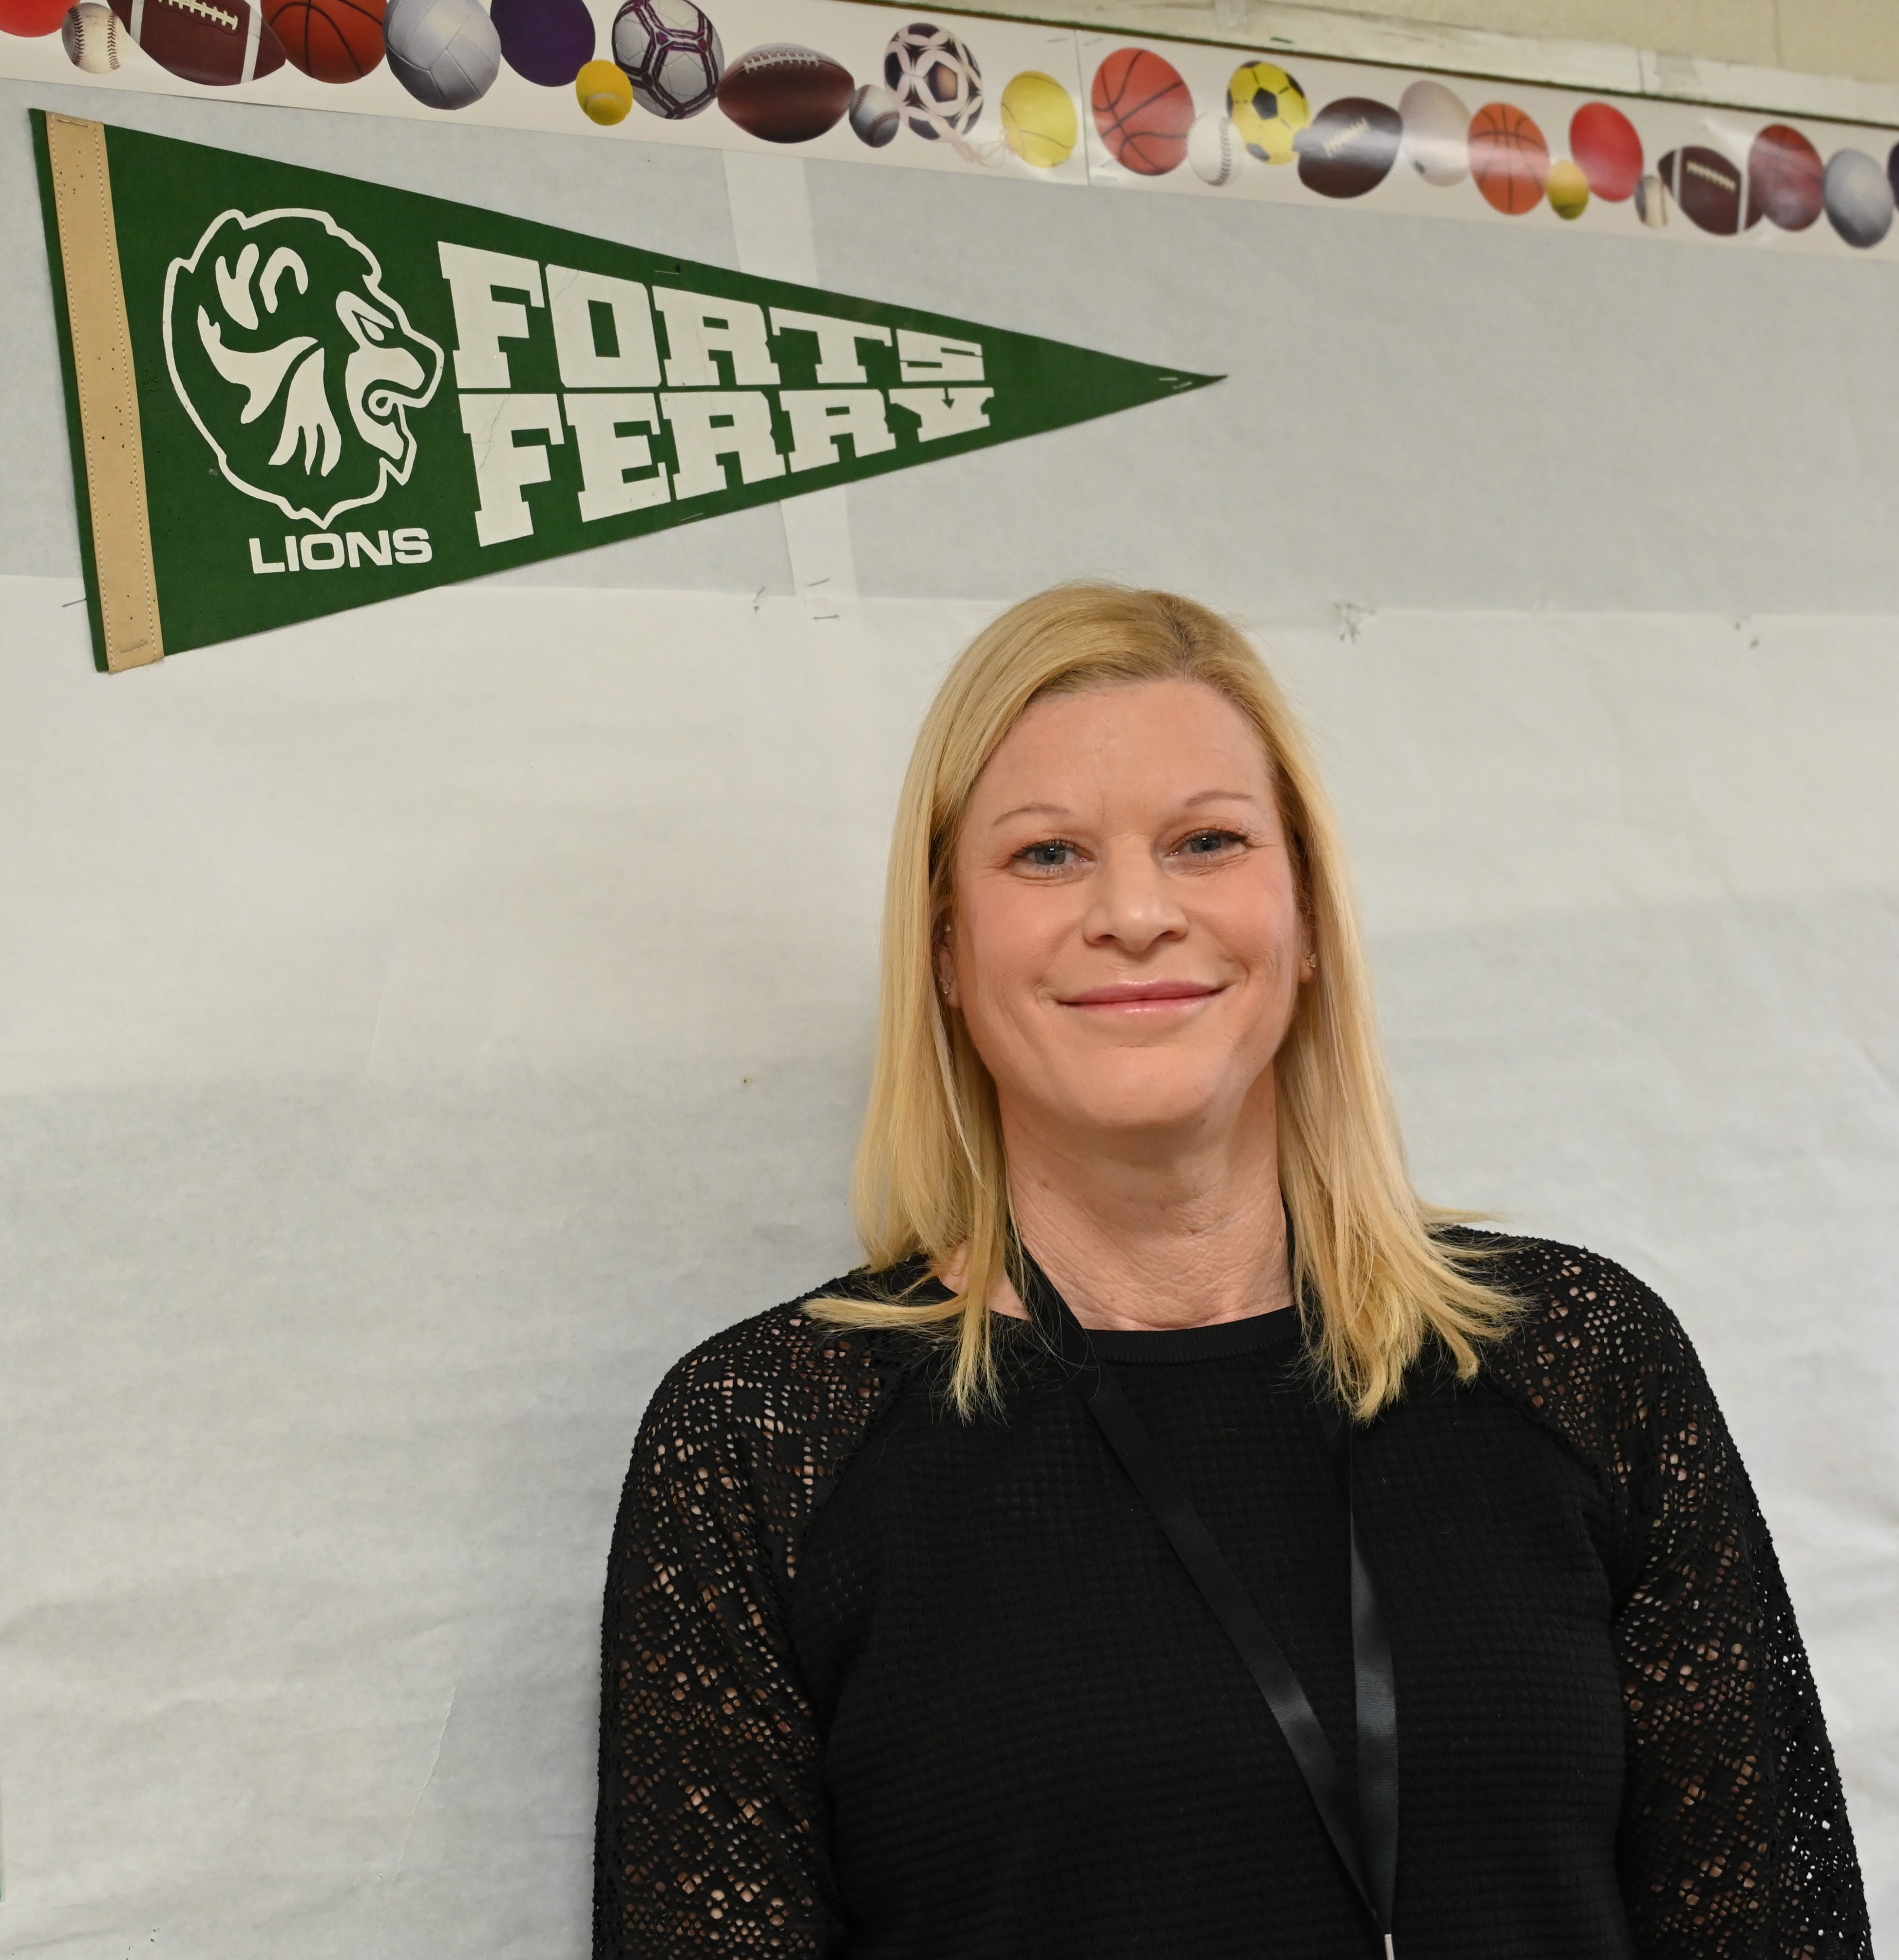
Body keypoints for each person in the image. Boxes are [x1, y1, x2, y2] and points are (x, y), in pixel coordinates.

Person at [592, 584, 1870, 1959]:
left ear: (1307, 917)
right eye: (1047, 855)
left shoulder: (1584, 1362)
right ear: (947, 947)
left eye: (1206, 842)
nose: (1136, 912)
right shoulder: (764, 1444)